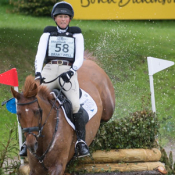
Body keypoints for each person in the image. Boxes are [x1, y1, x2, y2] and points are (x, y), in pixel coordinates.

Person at [19, 1, 90, 158]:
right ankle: (27, 142)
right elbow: (40, 54)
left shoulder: (76, 33)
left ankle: (81, 142)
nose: (63, 20)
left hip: (67, 71)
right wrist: (38, 73)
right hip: (49, 69)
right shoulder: (48, 32)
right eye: (60, 17)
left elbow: (79, 57)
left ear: (70, 19)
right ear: (55, 19)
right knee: (32, 101)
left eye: (65, 17)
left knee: (76, 104)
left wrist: (72, 71)